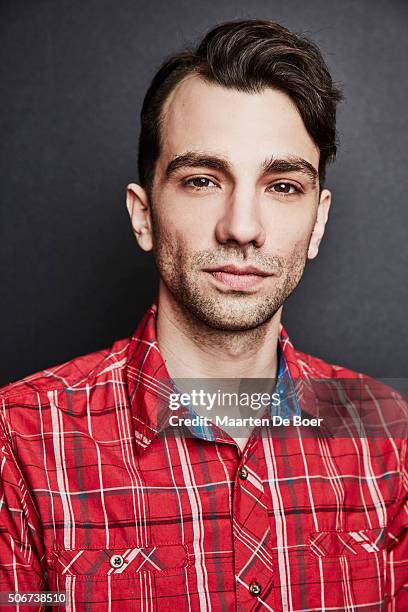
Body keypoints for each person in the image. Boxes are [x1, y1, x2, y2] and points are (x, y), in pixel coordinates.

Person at [0, 19, 406, 612]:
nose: (242, 227)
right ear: (143, 216)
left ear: (318, 222)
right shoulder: (17, 440)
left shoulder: (392, 443)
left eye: (283, 186)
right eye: (201, 180)